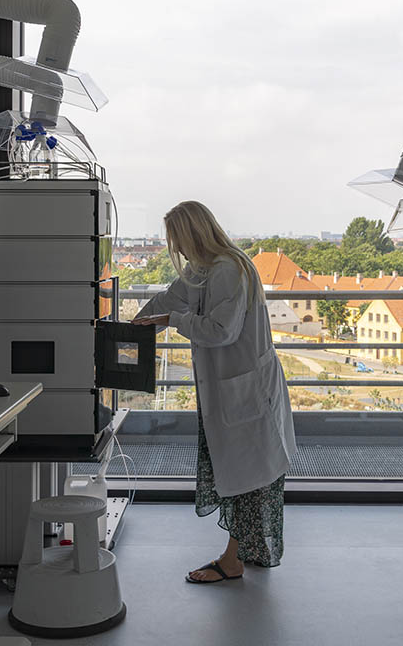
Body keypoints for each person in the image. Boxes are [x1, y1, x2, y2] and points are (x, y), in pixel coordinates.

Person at [133, 201, 297, 584]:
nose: (177, 248)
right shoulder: (202, 269)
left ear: (193, 234)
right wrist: (133, 327)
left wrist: (172, 321)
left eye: (177, 239)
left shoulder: (228, 269)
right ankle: (245, 552)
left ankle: (232, 561)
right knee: (247, 476)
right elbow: (168, 299)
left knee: (249, 478)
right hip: (233, 393)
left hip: (247, 393)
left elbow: (221, 330)